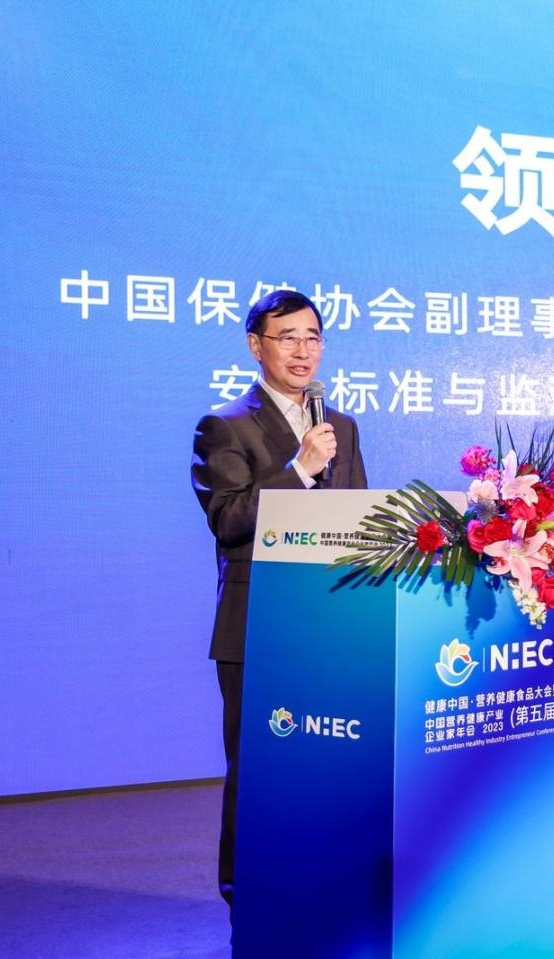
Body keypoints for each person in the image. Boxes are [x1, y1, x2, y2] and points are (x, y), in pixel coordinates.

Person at [190, 288, 367, 907]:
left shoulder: (342, 426)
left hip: (329, 624)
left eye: (312, 337)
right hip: (257, 626)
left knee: (328, 761)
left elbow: (358, 522)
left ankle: (319, 879)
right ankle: (245, 893)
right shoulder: (225, 425)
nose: (302, 350)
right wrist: (298, 469)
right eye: (287, 337)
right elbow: (229, 520)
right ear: (255, 346)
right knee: (257, 763)